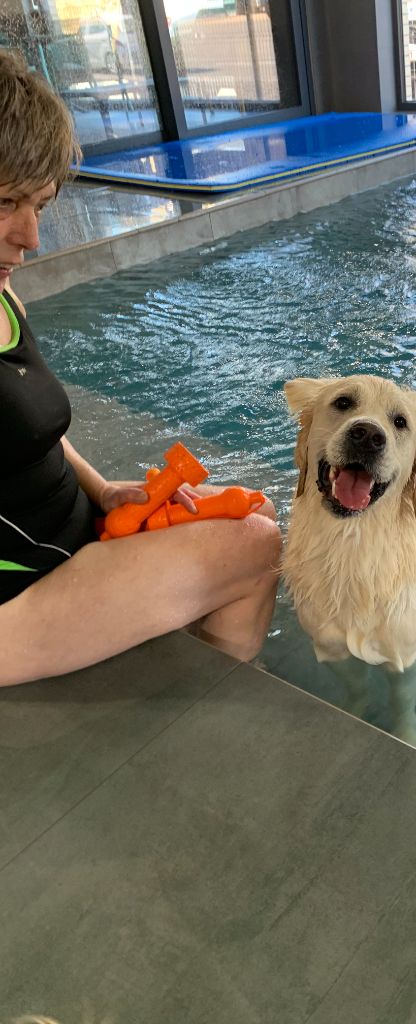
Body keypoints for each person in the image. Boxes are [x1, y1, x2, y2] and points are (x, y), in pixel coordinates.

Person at [0, 50, 282, 687]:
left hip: (68, 534)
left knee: (248, 518)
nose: (30, 236)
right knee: (257, 548)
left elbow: (32, 435)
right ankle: (199, 719)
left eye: (39, 205)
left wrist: (103, 492)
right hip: (15, 598)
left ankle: (196, 677)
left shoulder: (2, 296)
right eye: (5, 203)